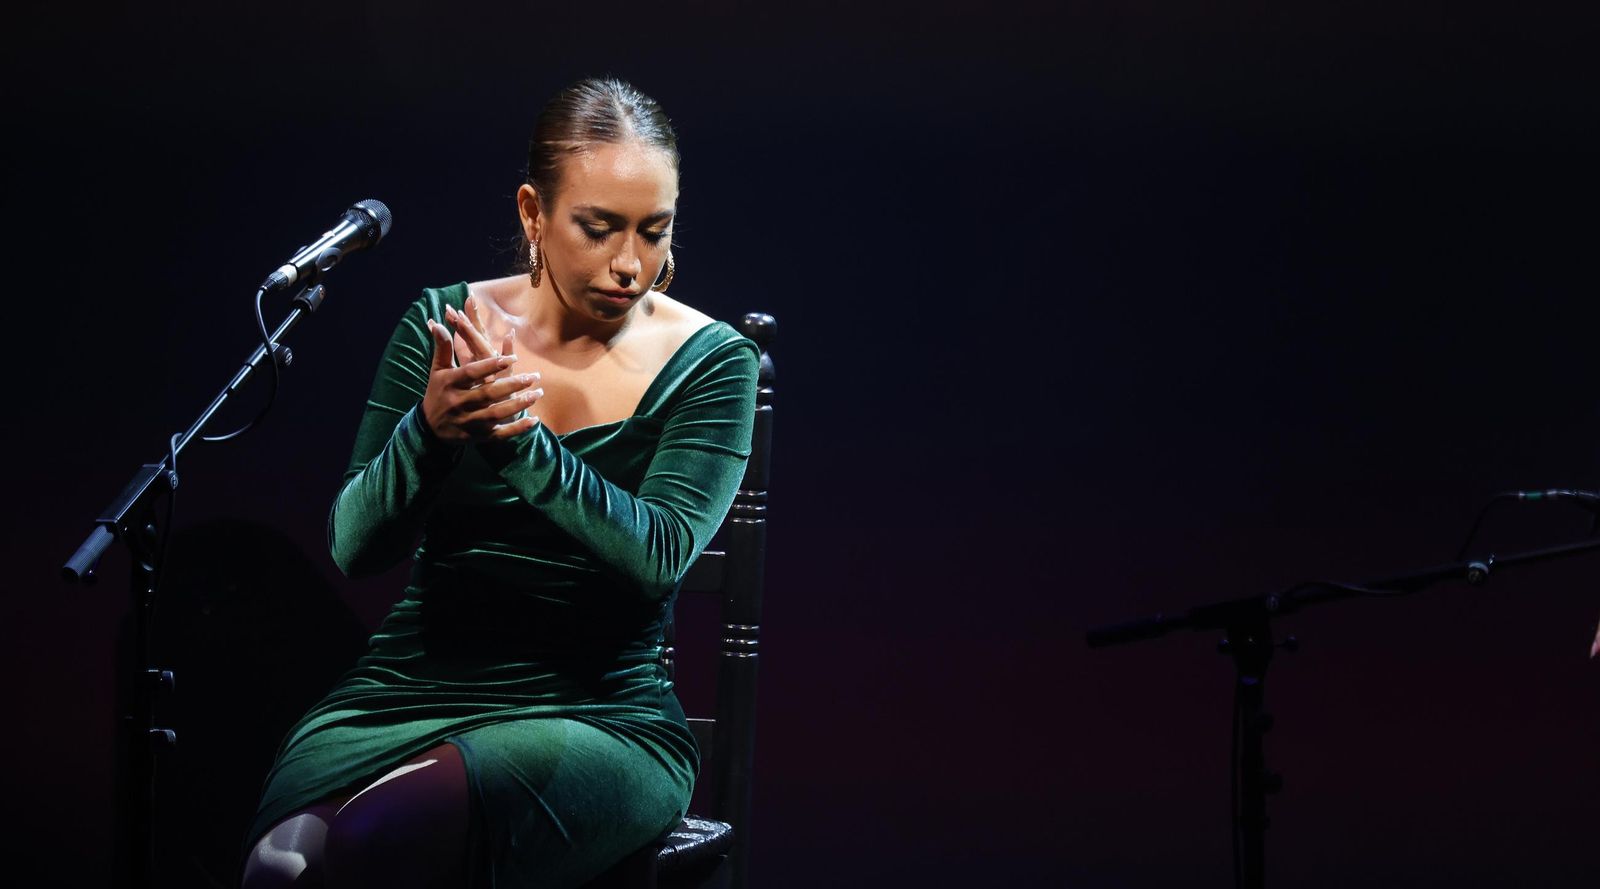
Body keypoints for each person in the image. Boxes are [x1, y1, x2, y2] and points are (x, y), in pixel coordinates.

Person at [239, 77, 759, 889]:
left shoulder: (712, 360)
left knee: (376, 839)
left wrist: (521, 448)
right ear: (532, 214)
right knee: (283, 868)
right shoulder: (446, 323)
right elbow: (353, 546)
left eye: (654, 232)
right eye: (599, 229)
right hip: (408, 687)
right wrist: (431, 433)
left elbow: (658, 554)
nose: (631, 264)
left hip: (595, 714)